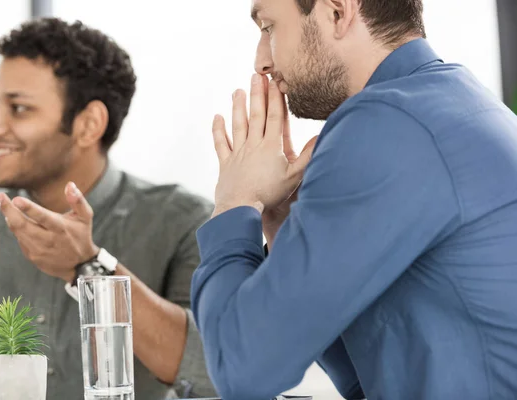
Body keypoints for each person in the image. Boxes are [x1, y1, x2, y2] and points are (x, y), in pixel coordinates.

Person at [191, 0, 517, 399]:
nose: (262, 61)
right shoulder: (453, 101)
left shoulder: (386, 120)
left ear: (337, 12)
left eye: (268, 27)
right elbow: (370, 382)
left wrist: (234, 203)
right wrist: (283, 228)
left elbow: (240, 370)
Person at [0, 18, 216, 400]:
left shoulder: (183, 223)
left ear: (88, 124)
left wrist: (89, 266)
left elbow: (216, 372)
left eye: (19, 108)